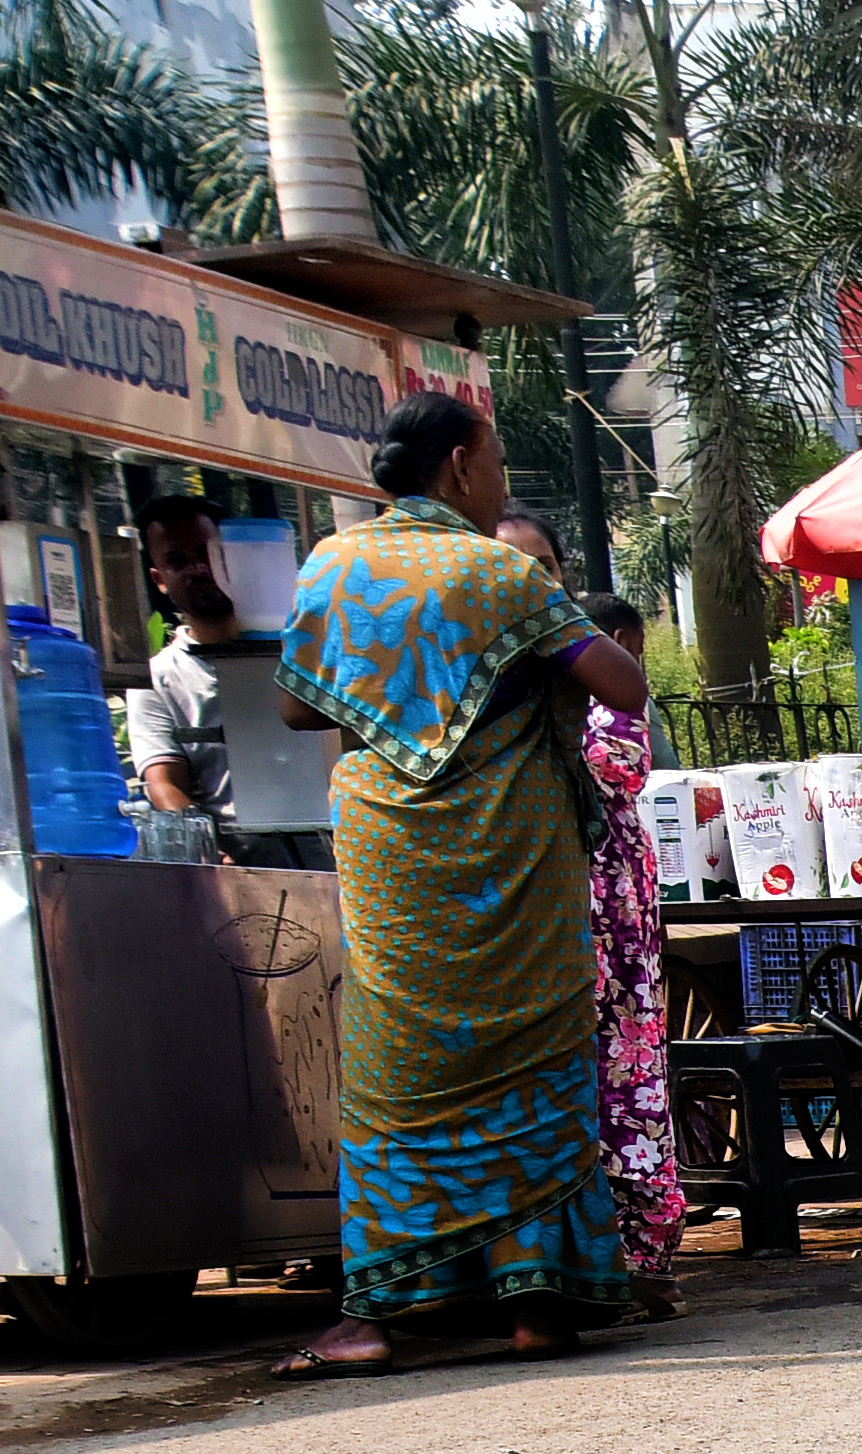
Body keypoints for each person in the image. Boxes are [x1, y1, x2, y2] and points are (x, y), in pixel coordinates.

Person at [269, 392, 650, 1379]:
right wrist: (522, 664)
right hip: (514, 861)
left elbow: (295, 706)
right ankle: (536, 1305)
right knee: (530, 1064)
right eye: (497, 466)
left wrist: (401, 691)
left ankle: (371, 1318)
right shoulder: (502, 576)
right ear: (460, 464)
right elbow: (622, 684)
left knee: (395, 1073)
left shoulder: (333, 565)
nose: (499, 485)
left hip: (393, 862)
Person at [570, 591, 682, 1310]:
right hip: (572, 902)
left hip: (609, 910)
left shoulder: (613, 712)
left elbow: (616, 766)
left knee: (623, 1068)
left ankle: (639, 1255)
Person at [125, 494, 237, 826]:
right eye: (177, 561)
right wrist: (208, 848)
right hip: (229, 847)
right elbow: (165, 784)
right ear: (159, 579)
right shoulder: (154, 679)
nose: (197, 569)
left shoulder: (297, 652)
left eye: (207, 554)